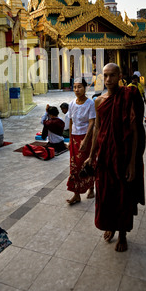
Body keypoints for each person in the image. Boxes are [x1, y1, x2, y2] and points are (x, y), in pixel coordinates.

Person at [85, 63, 145, 252]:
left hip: (123, 155)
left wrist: (133, 164)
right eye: (105, 75)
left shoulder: (128, 96)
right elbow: (97, 128)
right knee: (105, 193)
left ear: (120, 76)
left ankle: (123, 234)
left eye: (112, 75)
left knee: (122, 195)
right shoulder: (99, 101)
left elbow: (135, 132)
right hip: (104, 156)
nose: (109, 80)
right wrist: (91, 154)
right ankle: (109, 224)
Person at [66, 77, 96, 205]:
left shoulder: (90, 104)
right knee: (74, 166)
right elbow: (71, 121)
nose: (76, 89)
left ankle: (91, 188)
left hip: (86, 138)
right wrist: (70, 139)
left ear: (85, 88)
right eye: (74, 87)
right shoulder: (72, 104)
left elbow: (92, 122)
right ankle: (76, 194)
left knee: (86, 164)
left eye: (79, 87)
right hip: (74, 138)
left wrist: (85, 140)